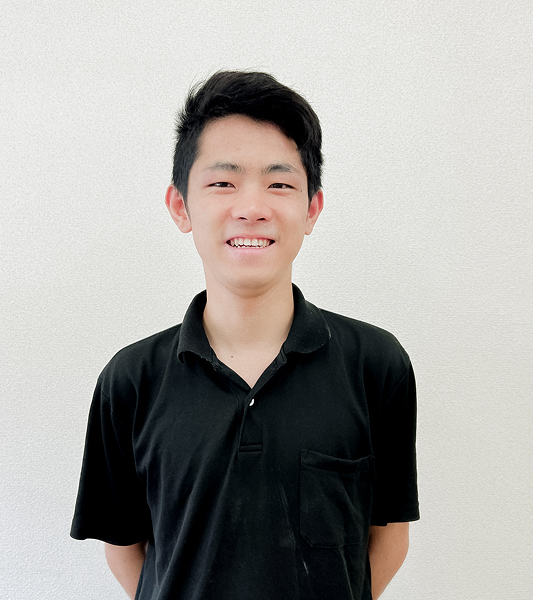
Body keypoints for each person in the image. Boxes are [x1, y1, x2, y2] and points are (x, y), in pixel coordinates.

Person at [71, 70, 419, 600]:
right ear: (181, 206)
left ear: (311, 209)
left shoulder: (375, 364)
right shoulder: (131, 378)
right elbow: (124, 547)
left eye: (280, 184)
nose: (252, 207)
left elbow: (389, 536)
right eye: (223, 183)